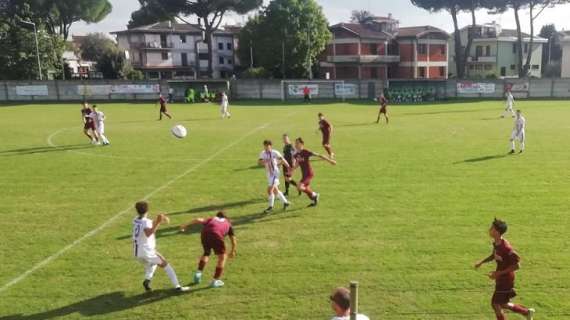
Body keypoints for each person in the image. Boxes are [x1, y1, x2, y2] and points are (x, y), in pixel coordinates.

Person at [475, 218, 535, 320]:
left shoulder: (506, 248)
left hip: (506, 279)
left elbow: (517, 265)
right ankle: (526, 312)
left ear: (497, 232)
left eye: (492, 228)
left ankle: (526, 312)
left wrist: (499, 273)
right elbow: (494, 255)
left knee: (495, 304)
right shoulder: (497, 243)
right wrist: (482, 262)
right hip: (501, 278)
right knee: (502, 304)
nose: (489, 230)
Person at [132, 201, 189, 292]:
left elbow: (148, 224)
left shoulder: (135, 219)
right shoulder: (145, 222)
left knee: (152, 264)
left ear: (137, 210)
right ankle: (178, 287)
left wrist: (160, 220)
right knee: (166, 264)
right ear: (147, 209)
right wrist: (158, 222)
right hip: (146, 251)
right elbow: (149, 233)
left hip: (137, 252)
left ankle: (147, 280)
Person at [180, 211, 237, 288]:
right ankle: (215, 281)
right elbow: (233, 240)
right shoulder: (228, 224)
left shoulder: (212, 219)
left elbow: (198, 219)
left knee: (206, 253)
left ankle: (198, 273)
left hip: (205, 233)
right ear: (226, 218)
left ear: (217, 216)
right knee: (222, 257)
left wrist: (185, 225)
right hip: (216, 235)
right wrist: (233, 250)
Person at [293, 137, 336, 207]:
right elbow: (298, 163)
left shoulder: (306, 152)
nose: (296, 144)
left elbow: (319, 155)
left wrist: (330, 161)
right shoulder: (296, 154)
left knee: (299, 187)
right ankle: (314, 199)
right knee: (305, 189)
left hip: (309, 173)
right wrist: (292, 169)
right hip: (304, 175)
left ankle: (315, 195)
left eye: (297, 143)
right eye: (295, 143)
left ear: (302, 144)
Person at [258, 140, 291, 213]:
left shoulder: (274, 152)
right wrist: (264, 161)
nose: (266, 147)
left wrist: (288, 167)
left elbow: (282, 159)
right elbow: (259, 162)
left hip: (275, 174)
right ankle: (285, 202)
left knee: (270, 190)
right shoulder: (263, 153)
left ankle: (270, 207)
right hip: (269, 174)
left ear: (270, 146)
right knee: (275, 190)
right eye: (265, 146)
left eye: (267, 146)